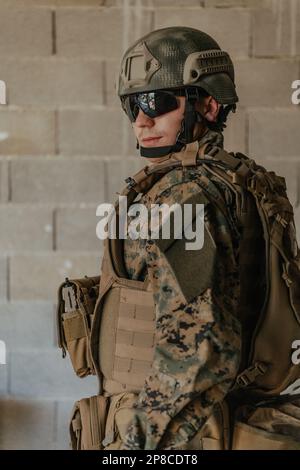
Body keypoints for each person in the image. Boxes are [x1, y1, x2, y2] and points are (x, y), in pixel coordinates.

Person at [62, 26, 300, 451]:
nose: (141, 119)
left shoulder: (183, 197)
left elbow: (199, 349)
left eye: (156, 101)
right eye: (132, 104)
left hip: (181, 437)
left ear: (208, 104)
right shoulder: (240, 182)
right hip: (219, 421)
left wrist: (140, 446)